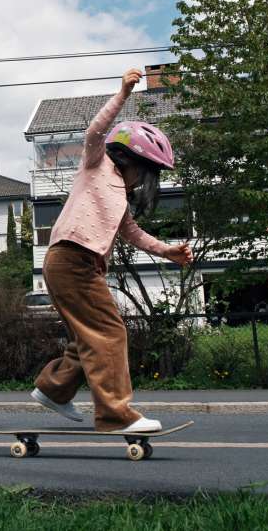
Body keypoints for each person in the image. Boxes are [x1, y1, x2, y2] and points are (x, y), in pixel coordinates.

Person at [31, 68, 193, 433]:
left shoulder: (119, 192)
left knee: (88, 336)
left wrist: (167, 251)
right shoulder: (96, 163)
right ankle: (116, 413)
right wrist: (122, 94)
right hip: (71, 259)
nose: (143, 182)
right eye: (146, 173)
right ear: (129, 158)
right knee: (110, 332)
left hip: (77, 265)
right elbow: (94, 132)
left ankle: (53, 390)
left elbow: (132, 232)